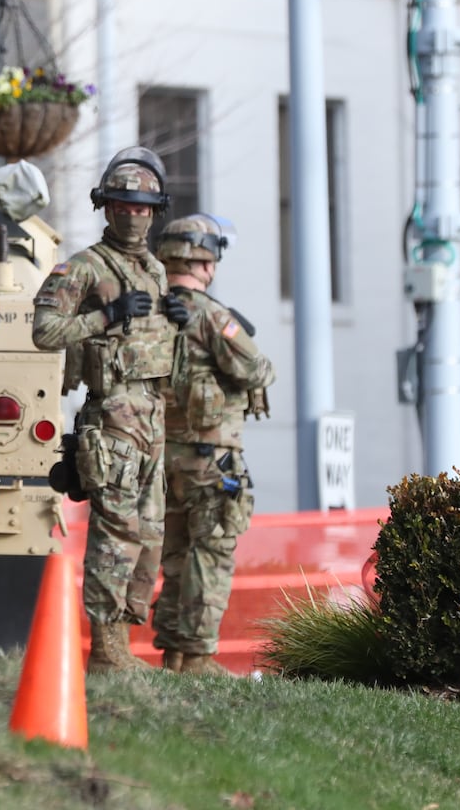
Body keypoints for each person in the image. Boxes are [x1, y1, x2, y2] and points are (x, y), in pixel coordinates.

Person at [32, 147, 189, 673]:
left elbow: (158, 346)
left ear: (155, 210)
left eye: (143, 207)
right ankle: (105, 648)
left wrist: (177, 320)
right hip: (114, 417)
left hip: (151, 413)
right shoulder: (83, 268)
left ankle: (122, 638)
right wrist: (105, 315)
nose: (133, 216)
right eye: (123, 206)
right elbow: (45, 330)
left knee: (148, 533)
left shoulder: (155, 271)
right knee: (115, 530)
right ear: (107, 208)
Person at [149, 213, 274, 675]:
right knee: (212, 551)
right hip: (209, 458)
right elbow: (257, 370)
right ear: (208, 263)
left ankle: (174, 654)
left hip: (160, 458)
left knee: (176, 555)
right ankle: (198, 655)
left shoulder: (148, 312)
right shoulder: (212, 316)